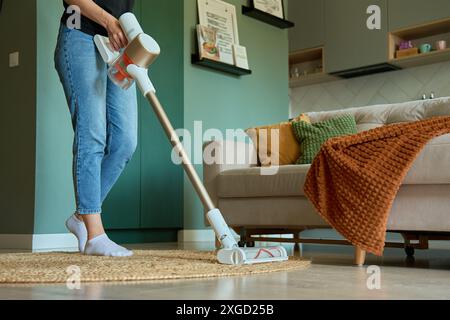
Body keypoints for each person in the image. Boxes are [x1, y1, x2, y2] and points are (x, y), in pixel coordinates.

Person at [55, 0, 136, 257]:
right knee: (92, 134)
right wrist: (109, 21)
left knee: (125, 141)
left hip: (118, 46)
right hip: (79, 36)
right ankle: (95, 235)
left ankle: (81, 217)